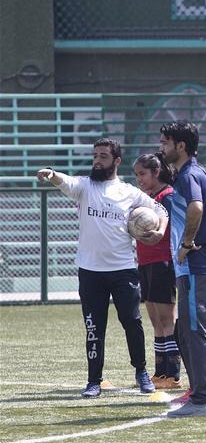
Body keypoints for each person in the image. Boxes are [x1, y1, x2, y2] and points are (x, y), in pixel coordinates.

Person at [37, 138, 166, 399]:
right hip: (90, 271)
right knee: (94, 327)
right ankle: (93, 381)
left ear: (116, 161)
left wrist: (160, 231)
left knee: (132, 322)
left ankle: (141, 372)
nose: (97, 160)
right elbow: (65, 181)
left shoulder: (129, 192)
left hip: (123, 269)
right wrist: (51, 173)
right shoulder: (85, 186)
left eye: (103, 156)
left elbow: (160, 209)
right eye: (95, 155)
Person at [160, 121, 206, 417]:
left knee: (194, 333)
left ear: (181, 146)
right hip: (205, 265)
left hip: (195, 265)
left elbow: (196, 208)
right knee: (205, 333)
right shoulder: (200, 172)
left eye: (165, 142)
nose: (162, 148)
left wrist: (186, 243)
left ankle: (201, 400)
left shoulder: (188, 174)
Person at [133, 153, 180, 389]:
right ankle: (160, 372)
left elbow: (171, 228)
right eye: (136, 174)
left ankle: (173, 374)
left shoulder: (167, 196)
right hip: (146, 261)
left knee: (166, 318)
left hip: (163, 261)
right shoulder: (147, 198)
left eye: (142, 173)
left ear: (156, 172)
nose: (139, 179)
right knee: (154, 319)